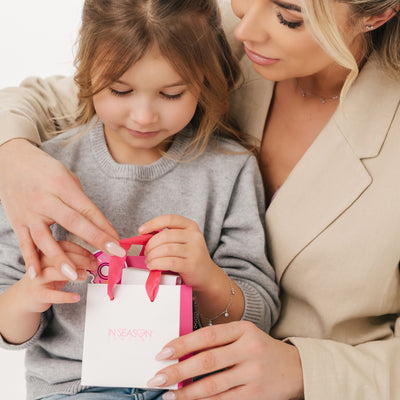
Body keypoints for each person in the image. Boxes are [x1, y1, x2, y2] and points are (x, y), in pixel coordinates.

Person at [0, 0, 400, 398]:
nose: (242, 32)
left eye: (288, 17)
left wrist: (305, 371)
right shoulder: (183, 22)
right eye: (121, 90)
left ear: (378, 13)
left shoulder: (227, 164)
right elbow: (41, 98)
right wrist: (11, 153)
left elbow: (254, 298)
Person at [0, 1, 280, 399]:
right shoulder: (42, 175)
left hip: (191, 387)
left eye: (172, 93)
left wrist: (207, 276)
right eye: (120, 90)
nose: (144, 116)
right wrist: (31, 293)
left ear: (204, 79)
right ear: (87, 70)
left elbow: (259, 315)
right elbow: (8, 327)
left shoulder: (230, 170)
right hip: (74, 389)